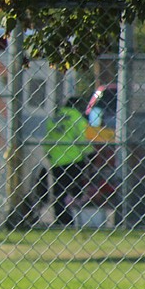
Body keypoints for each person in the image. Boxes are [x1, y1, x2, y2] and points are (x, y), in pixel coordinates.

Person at [43, 96, 94, 226]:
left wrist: (49, 154)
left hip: (56, 160)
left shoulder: (54, 119)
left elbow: (48, 139)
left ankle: (61, 219)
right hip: (74, 158)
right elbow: (82, 138)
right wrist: (89, 153)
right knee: (75, 190)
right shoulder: (77, 118)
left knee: (59, 191)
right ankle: (75, 218)